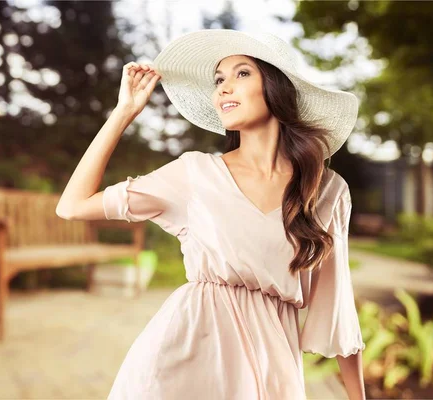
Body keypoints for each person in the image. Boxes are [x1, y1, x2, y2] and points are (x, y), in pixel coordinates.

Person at [56, 29, 366, 400]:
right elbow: (72, 206)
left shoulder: (327, 190)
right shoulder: (194, 174)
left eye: (242, 73)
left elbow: (339, 308)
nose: (223, 88)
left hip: (272, 367)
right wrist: (124, 113)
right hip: (183, 355)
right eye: (219, 79)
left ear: (278, 87)